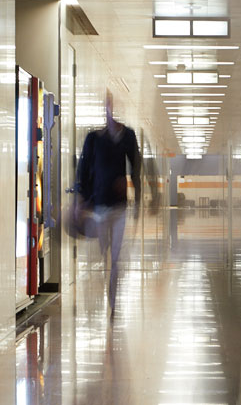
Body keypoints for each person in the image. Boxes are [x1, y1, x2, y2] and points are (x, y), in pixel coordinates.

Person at [75, 90, 141, 315]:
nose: (109, 109)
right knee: (104, 253)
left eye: (111, 105)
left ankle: (113, 303)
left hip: (120, 207)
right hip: (100, 207)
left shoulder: (128, 136)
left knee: (116, 256)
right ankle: (106, 285)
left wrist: (138, 199)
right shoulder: (93, 139)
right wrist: (80, 200)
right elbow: (82, 170)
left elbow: (137, 169)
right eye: (106, 105)